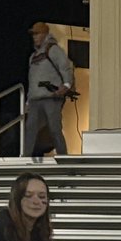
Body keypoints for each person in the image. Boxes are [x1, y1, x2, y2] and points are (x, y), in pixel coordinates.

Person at [24, 22, 74, 157]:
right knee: (30, 129)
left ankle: (62, 156)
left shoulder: (53, 50)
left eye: (37, 33)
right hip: (35, 99)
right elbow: (32, 80)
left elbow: (65, 66)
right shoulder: (33, 57)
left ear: (45, 34)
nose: (35, 37)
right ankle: (25, 157)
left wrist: (67, 85)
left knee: (54, 128)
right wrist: (28, 101)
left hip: (51, 97)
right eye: (33, 34)